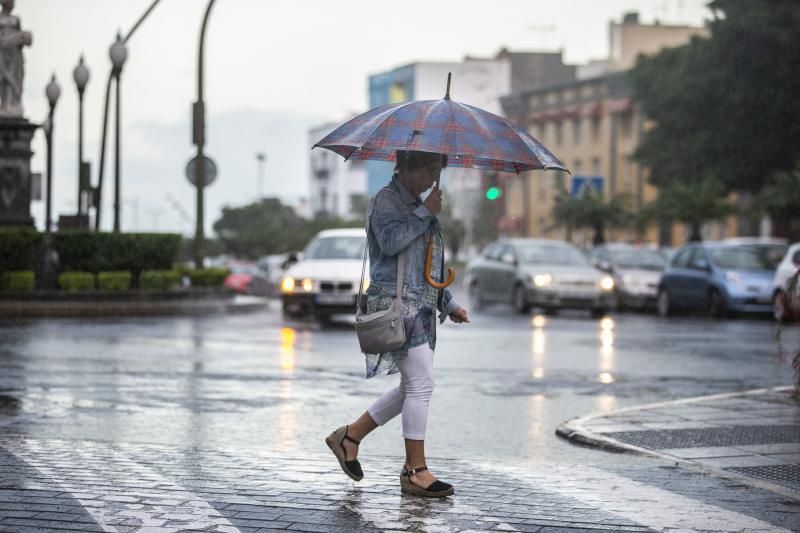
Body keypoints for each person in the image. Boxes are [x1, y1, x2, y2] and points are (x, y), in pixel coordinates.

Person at [326, 149, 469, 498]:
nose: (432, 180)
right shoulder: (386, 201)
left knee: (412, 386)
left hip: (420, 305)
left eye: (437, 172)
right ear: (406, 167)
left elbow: (427, 263)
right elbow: (390, 244)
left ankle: (349, 436)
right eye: (428, 171)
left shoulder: (417, 204)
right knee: (421, 384)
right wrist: (426, 212)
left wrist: (448, 302)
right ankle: (415, 470)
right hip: (396, 304)